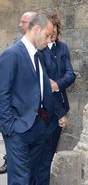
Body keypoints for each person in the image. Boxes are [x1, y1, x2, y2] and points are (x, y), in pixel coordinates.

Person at [0, 12, 54, 185]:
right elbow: (2, 93)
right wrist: (10, 127)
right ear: (35, 29)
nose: (49, 40)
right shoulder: (11, 54)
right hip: (18, 128)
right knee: (20, 179)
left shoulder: (39, 55)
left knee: (32, 177)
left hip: (38, 127)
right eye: (47, 35)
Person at [36, 13, 76, 185]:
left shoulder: (63, 48)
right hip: (45, 110)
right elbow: (43, 83)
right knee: (42, 156)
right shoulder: (38, 49)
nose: (52, 33)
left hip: (60, 106)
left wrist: (57, 84)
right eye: (49, 29)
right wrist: (61, 114)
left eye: (55, 28)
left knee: (50, 152)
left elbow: (70, 74)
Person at [0, 11, 37, 175]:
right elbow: (3, 90)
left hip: (32, 120)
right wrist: (8, 125)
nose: (20, 25)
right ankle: (8, 161)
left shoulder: (39, 50)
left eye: (23, 22)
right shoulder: (14, 50)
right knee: (19, 172)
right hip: (16, 120)